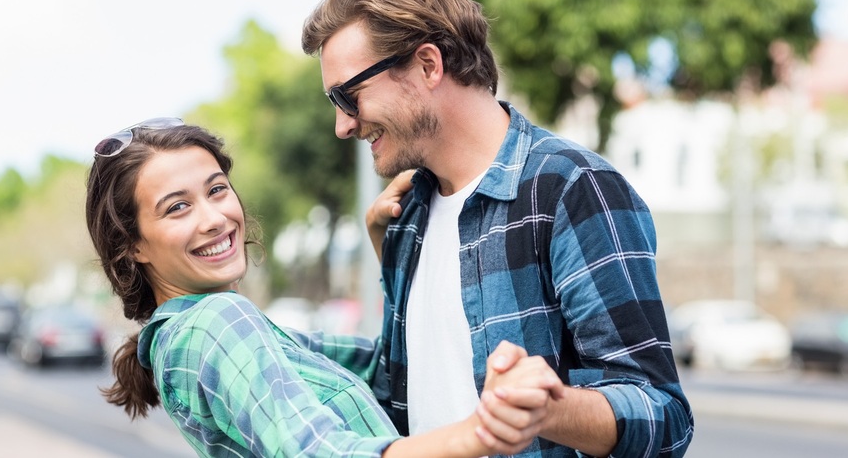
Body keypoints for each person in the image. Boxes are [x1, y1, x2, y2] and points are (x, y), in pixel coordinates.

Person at [301, 0, 694, 457]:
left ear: (427, 65)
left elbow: (664, 416)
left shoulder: (570, 188)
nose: (342, 125)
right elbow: (399, 402)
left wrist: (550, 410)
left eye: (348, 96)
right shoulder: (404, 220)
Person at [85, 119, 565, 457]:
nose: (214, 219)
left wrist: (390, 252)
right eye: (176, 208)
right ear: (133, 247)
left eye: (216, 189)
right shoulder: (216, 323)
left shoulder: (188, 335)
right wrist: (486, 432)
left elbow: (388, 373)